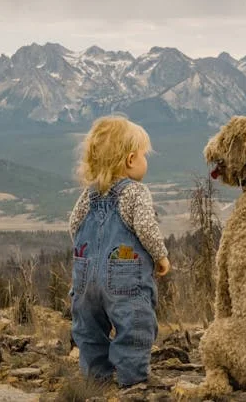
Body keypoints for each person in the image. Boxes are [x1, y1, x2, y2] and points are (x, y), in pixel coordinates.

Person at [68, 115, 170, 387]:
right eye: (144, 156)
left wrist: (87, 258)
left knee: (89, 329)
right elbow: (146, 228)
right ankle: (133, 379)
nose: (146, 162)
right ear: (130, 160)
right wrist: (160, 256)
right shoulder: (135, 193)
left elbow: (74, 226)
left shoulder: (89, 194)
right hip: (124, 277)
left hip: (85, 278)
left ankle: (95, 379)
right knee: (134, 325)